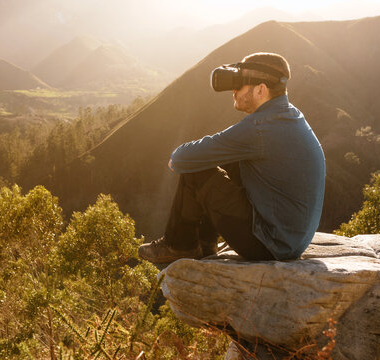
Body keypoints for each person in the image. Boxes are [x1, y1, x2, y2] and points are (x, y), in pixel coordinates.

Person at [138, 52, 325, 263]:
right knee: (228, 161)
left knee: (196, 170)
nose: (234, 90)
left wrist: (179, 159)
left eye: (239, 84)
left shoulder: (261, 128)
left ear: (261, 90)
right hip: (289, 241)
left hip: (269, 246)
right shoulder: (288, 115)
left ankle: (179, 246)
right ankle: (205, 244)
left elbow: (183, 158)